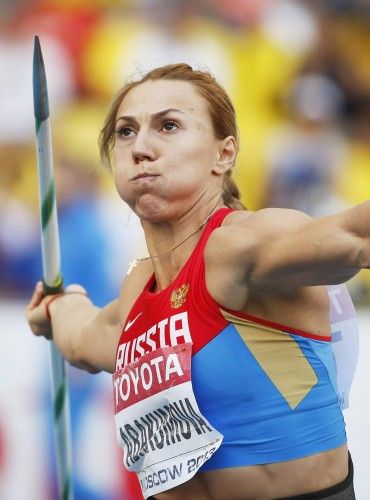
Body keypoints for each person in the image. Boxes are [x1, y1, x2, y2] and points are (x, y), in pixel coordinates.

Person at [26, 63, 369, 500]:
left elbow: (357, 238)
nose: (140, 147)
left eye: (168, 126)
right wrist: (53, 310)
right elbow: (83, 336)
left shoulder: (240, 247)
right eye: (125, 132)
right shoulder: (138, 291)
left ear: (224, 154)